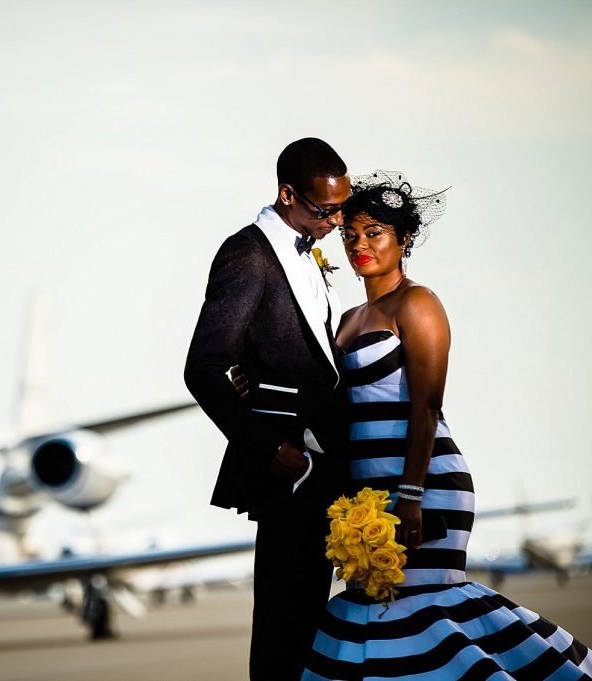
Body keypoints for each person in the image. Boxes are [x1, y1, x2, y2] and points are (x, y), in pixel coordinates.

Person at [299, 170, 592, 680]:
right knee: (378, 617)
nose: (359, 245)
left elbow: (428, 406)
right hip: (367, 494)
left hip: (424, 485)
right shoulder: (346, 319)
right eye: (351, 234)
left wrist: (411, 494)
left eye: (374, 233)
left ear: (404, 239)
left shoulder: (418, 303)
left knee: (421, 613)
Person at [184, 137, 353, 681]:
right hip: (288, 471)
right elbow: (203, 368)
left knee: (312, 630)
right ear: (287, 195)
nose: (338, 221)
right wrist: (274, 449)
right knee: (284, 634)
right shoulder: (248, 254)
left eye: (342, 208)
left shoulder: (307, 251)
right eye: (326, 210)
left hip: (325, 468)